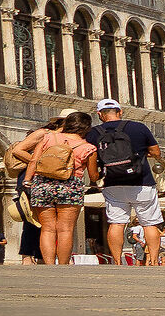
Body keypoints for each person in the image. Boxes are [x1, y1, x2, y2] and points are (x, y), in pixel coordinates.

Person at [7, 110, 97, 264]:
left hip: (43, 184)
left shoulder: (48, 137)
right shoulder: (88, 147)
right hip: (70, 186)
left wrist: (27, 180)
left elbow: (34, 160)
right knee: (65, 229)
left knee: (47, 228)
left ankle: (48, 265)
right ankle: (62, 265)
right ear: (86, 128)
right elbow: (93, 176)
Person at [88, 97, 165, 268]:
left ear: (99, 115)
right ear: (120, 112)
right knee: (150, 223)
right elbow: (156, 152)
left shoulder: (94, 133)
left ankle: (117, 261)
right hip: (142, 182)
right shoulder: (138, 127)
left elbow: (92, 156)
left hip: (113, 183)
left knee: (117, 223)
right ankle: (153, 261)